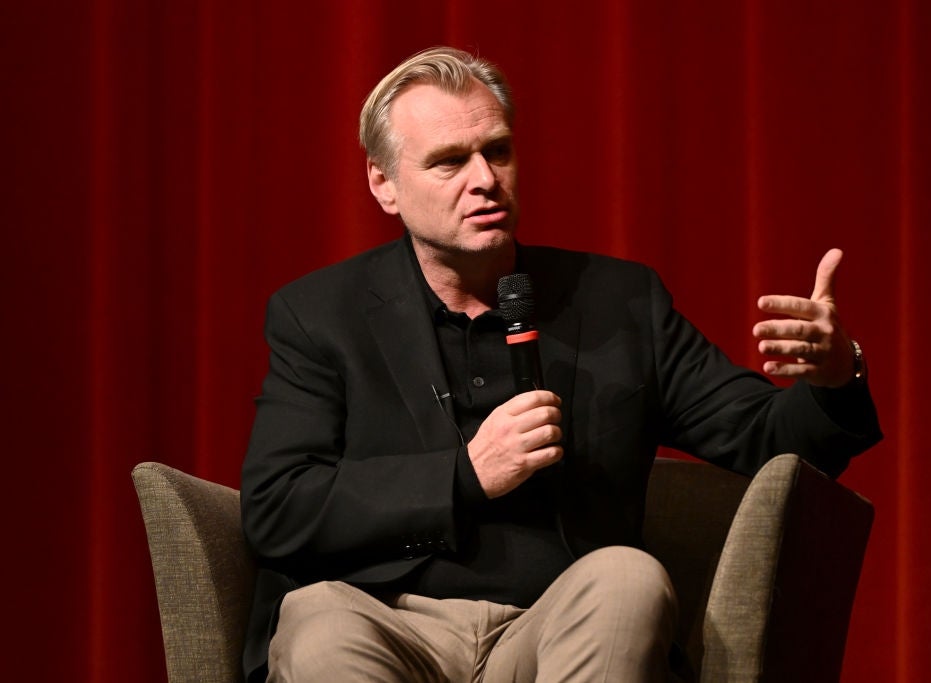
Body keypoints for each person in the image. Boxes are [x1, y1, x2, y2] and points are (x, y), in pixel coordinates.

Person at [239, 46, 882, 683]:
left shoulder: (618, 302)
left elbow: (765, 440)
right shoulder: (321, 315)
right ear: (384, 183)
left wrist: (834, 376)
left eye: (497, 151)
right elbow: (278, 508)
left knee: (628, 577)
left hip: (557, 625)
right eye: (449, 162)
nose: (484, 179)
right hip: (383, 621)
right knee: (317, 619)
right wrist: (464, 475)